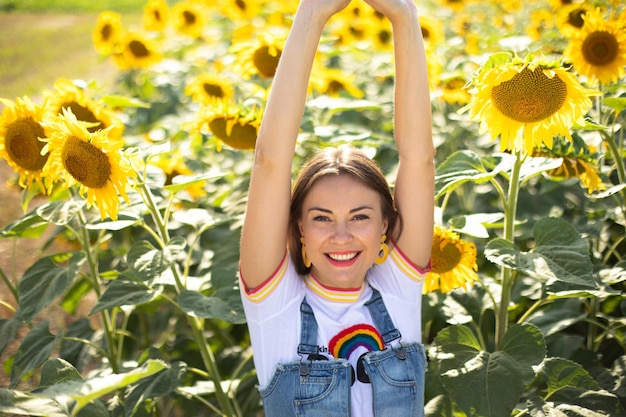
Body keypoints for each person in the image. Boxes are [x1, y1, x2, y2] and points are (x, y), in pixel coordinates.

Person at [238, 0, 434, 415]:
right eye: (321, 218)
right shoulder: (276, 306)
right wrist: (311, 13)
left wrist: (404, 15)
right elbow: (269, 163)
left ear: (386, 226)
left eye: (360, 217)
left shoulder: (397, 292)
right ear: (299, 231)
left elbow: (418, 158)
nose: (341, 235)